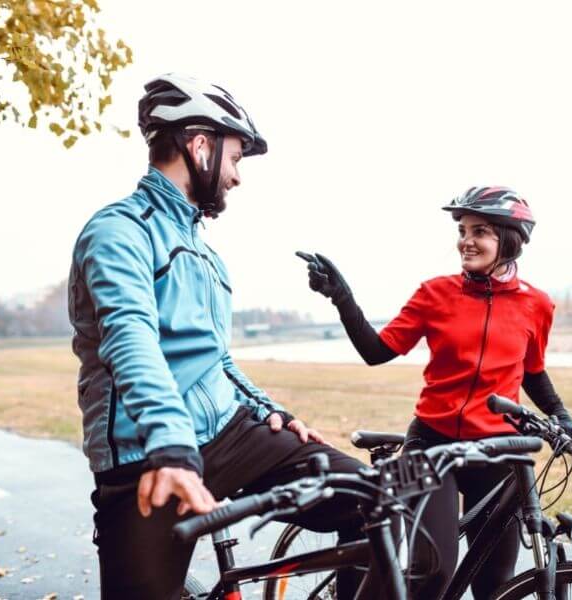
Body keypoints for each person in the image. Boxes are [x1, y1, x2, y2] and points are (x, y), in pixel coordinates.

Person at [68, 73, 369, 600]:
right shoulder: (119, 232)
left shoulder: (207, 255)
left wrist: (272, 409)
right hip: (150, 449)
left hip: (228, 434)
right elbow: (130, 340)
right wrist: (173, 448)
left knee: (373, 499)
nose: (236, 177)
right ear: (199, 145)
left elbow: (216, 359)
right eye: (235, 158)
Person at [298, 186, 572, 598]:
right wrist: (342, 298)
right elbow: (377, 352)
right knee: (433, 573)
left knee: (493, 583)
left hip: (499, 449)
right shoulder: (435, 293)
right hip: (432, 445)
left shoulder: (537, 305)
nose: (466, 240)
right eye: (463, 230)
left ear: (510, 240)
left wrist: (561, 415)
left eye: (479, 231)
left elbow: (532, 371)